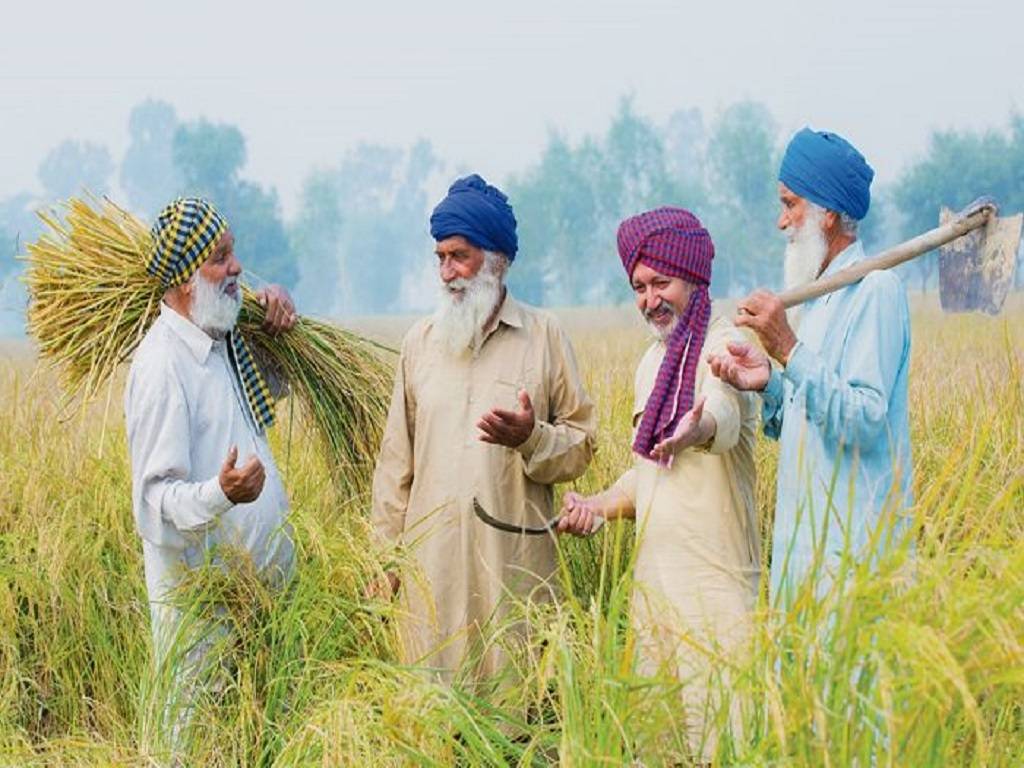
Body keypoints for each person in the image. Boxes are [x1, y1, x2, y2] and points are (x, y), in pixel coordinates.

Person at [370, 174, 596, 683]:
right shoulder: (419, 344)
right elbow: (394, 468)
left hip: (514, 577)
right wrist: (383, 561)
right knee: (430, 727)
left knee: (517, 725)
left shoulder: (544, 336)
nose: (448, 272)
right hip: (431, 581)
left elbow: (583, 446)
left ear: (497, 259)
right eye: (440, 258)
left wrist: (532, 438)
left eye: (460, 256)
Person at [558, 207, 759, 762]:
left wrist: (697, 430)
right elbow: (647, 472)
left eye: (661, 282)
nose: (650, 299)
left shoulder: (724, 345)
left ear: (692, 276)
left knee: (726, 747)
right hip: (655, 598)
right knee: (655, 750)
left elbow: (723, 416)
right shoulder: (652, 362)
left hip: (717, 599)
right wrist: (598, 506)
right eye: (639, 287)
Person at [708, 127, 913, 603]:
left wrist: (788, 348)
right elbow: (810, 421)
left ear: (828, 215)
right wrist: (771, 384)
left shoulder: (875, 292)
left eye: (790, 204)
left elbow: (864, 421)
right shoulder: (816, 302)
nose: (782, 222)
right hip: (803, 558)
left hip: (855, 564)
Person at [123, 197, 298, 746]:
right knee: (204, 746)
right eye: (219, 258)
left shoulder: (223, 343)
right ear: (183, 277)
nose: (237, 268)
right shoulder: (161, 365)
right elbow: (154, 504)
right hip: (205, 624)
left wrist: (279, 327)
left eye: (233, 253)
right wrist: (221, 493)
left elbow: (264, 396)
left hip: (261, 609)